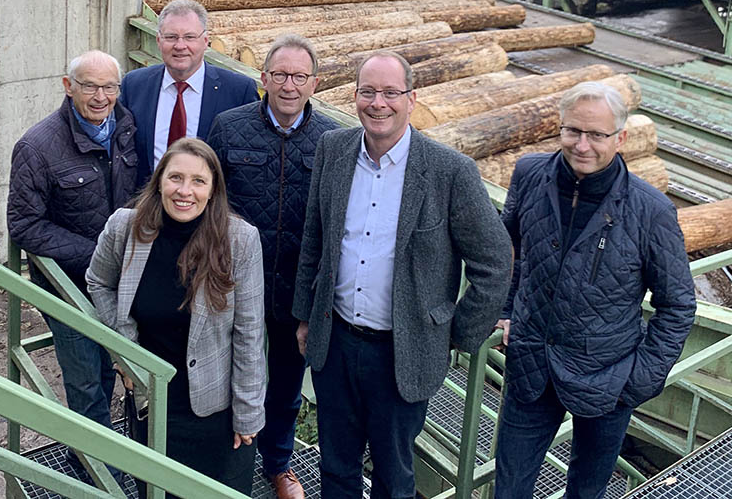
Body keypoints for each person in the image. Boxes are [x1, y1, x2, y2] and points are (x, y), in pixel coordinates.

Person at [291, 51, 513, 499]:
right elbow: (314, 238)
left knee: (394, 477)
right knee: (335, 465)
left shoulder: (450, 171)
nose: (379, 103)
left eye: (391, 93)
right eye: (368, 92)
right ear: (354, 96)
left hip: (402, 352)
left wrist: (453, 333)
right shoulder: (333, 149)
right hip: (334, 341)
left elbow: (495, 260)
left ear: (412, 99)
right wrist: (304, 315)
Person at [494, 81, 696, 498]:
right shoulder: (530, 174)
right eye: (573, 131)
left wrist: (637, 380)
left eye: (597, 135)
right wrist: (507, 308)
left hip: (610, 375)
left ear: (620, 138)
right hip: (532, 365)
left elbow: (677, 305)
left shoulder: (651, 210)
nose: (582, 145)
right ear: (560, 128)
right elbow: (507, 247)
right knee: (509, 487)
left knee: (587, 491)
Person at [85, 138, 266, 497]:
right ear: (159, 181)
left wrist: (248, 412)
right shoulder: (126, 227)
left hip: (215, 410)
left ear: (213, 190)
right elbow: (98, 281)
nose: (185, 191)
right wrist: (125, 352)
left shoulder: (240, 241)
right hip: (152, 404)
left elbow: (249, 334)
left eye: (198, 181)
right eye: (175, 178)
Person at [207, 33, 339, 499]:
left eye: (299, 76)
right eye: (280, 74)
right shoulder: (228, 127)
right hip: (235, 281)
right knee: (227, 371)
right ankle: (228, 456)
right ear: (262, 78)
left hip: (295, 285)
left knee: (284, 380)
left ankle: (277, 464)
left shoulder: (332, 141)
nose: (288, 85)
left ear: (314, 83)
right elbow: (208, 200)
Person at [7, 50, 137, 480]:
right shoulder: (38, 146)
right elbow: (24, 224)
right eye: (89, 86)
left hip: (121, 281)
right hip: (69, 286)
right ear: (68, 86)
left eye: (109, 87)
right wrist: (97, 253)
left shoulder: (124, 125)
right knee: (86, 381)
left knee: (109, 370)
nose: (100, 97)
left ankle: (88, 460)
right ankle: (101, 478)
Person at [119, 0, 260, 188]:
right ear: (159, 41)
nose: (180, 45)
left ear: (205, 41)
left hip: (209, 210)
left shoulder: (238, 91)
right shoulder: (134, 85)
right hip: (147, 207)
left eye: (189, 37)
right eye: (171, 37)